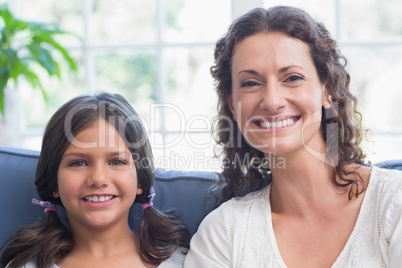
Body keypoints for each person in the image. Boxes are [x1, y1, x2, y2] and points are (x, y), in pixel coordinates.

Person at [185, 6, 402, 268]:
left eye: (293, 77)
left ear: (327, 91)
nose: (272, 101)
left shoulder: (394, 202)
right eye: (250, 83)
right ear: (232, 103)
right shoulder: (223, 235)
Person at [1, 93, 189, 268]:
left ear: (140, 180)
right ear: (54, 183)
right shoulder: (26, 265)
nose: (98, 179)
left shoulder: (182, 263)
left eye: (117, 161)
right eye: (78, 163)